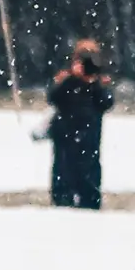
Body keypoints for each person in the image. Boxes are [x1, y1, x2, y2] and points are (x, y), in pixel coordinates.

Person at [47, 38, 113, 209]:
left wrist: (96, 84)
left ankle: (88, 203)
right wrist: (68, 80)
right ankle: (63, 201)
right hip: (65, 134)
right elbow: (53, 98)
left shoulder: (98, 82)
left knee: (88, 174)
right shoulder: (67, 80)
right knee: (63, 170)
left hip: (89, 137)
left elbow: (107, 102)